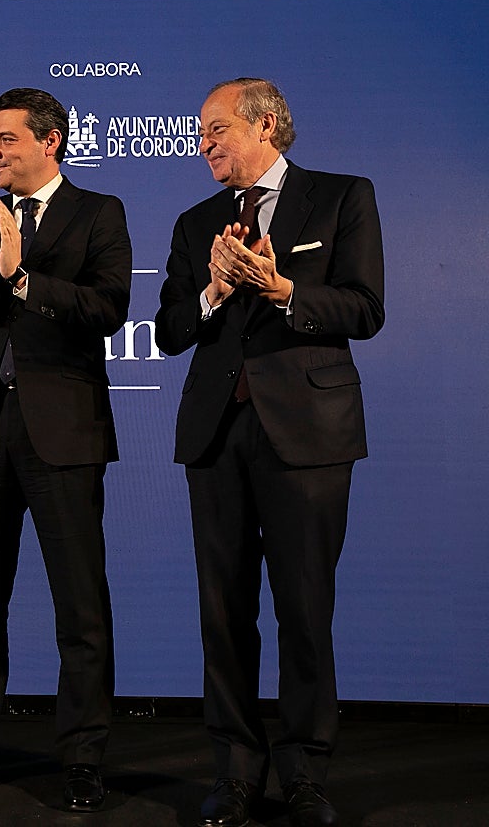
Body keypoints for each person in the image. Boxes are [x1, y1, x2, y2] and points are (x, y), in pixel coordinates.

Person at [155, 78, 385, 827]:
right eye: (200, 135)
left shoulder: (342, 196)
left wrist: (285, 288)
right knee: (223, 613)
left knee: (304, 607)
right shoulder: (196, 223)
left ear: (265, 125)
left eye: (217, 130)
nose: (204, 145)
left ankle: (305, 771)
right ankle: (236, 771)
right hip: (218, 433)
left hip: (309, 432)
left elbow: (365, 307)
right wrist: (215, 291)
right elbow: (167, 331)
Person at [0, 87, 132, 812]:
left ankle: (81, 758)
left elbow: (108, 310)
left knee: (80, 605)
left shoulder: (99, 213)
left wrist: (20, 278)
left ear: (49, 142)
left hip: (64, 432)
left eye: (6, 140)